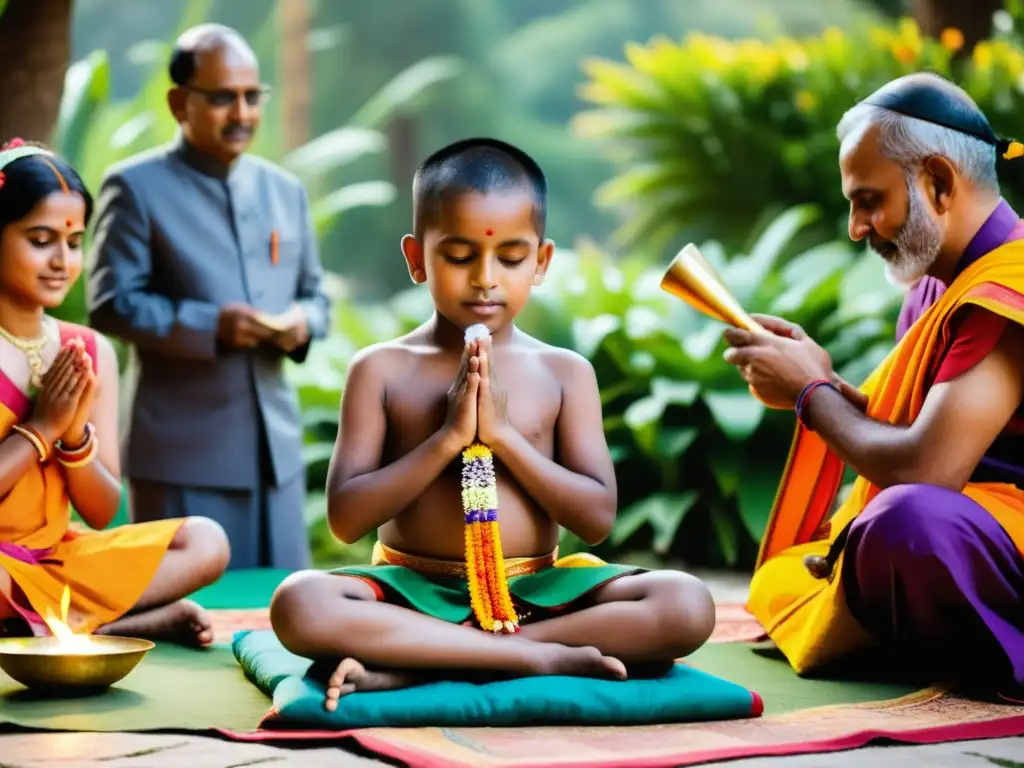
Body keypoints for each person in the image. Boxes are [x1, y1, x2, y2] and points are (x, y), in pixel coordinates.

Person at [269, 137, 716, 710]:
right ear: (415, 258)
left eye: (510, 257)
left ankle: (425, 662)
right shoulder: (380, 369)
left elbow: (596, 518)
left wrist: (502, 437)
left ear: (542, 261)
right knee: (300, 602)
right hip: (412, 593)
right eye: (458, 257)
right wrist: (447, 439)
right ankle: (534, 658)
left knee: (686, 605)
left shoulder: (563, 372)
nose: (485, 278)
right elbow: (347, 519)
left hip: (533, 591)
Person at [721, 72, 1024, 697]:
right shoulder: (932, 285)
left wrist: (813, 397)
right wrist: (819, 378)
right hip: (981, 526)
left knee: (903, 525)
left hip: (989, 526)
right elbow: (922, 431)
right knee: (805, 569)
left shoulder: (1008, 287)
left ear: (939, 183)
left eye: (869, 201)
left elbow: (928, 467)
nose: (857, 227)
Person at [86, 24, 330, 570]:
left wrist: (300, 323)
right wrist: (210, 325)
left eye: (251, 97)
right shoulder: (135, 187)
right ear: (179, 103)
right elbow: (111, 302)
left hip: (277, 458)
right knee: (189, 628)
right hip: (182, 456)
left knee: (280, 622)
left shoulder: (283, 191)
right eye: (222, 98)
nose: (241, 113)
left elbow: (318, 298)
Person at [0, 139, 230, 645]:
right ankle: (123, 621)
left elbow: (104, 512)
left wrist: (74, 435)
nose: (63, 260)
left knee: (207, 541)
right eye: (40, 240)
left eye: (75, 241)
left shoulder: (88, 350)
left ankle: (48, 622)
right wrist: (40, 430)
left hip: (57, 557)